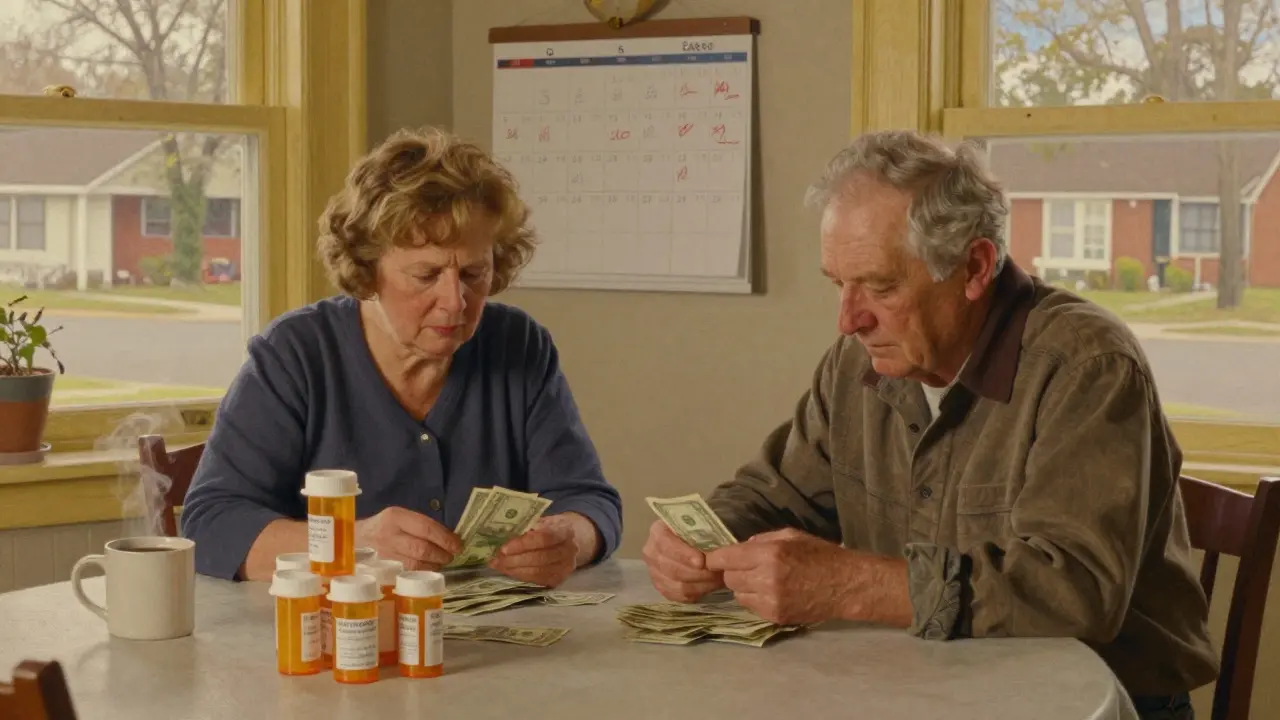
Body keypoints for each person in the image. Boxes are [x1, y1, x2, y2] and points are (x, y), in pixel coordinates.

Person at [641, 130, 1218, 719]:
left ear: (974, 267)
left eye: (881, 286)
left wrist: (850, 585)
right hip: (920, 686)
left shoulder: (1086, 364)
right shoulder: (858, 361)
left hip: (1102, 702)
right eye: (838, 284)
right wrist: (706, 538)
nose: (848, 319)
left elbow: (1076, 590)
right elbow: (777, 493)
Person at [182, 126, 622, 587]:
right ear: (367, 270)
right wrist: (351, 546)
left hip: (490, 646)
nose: (455, 301)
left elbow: (590, 500)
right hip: (329, 641)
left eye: (474, 273)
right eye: (426, 274)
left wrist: (570, 538)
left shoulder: (521, 345)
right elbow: (212, 524)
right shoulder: (295, 355)